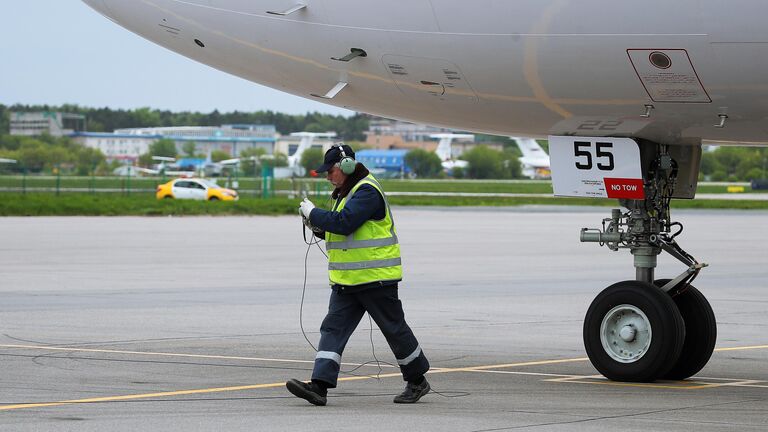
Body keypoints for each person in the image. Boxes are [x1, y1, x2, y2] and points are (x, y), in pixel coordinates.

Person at [287, 143, 431, 406]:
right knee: (332, 329)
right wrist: (315, 224)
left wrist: (315, 213)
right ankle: (319, 386)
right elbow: (341, 230)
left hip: (375, 278)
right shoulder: (347, 192)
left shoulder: (367, 191)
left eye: (330, 171)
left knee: (394, 330)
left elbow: (345, 224)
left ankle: (417, 380)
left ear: (346, 166)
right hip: (348, 281)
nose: (328, 177)